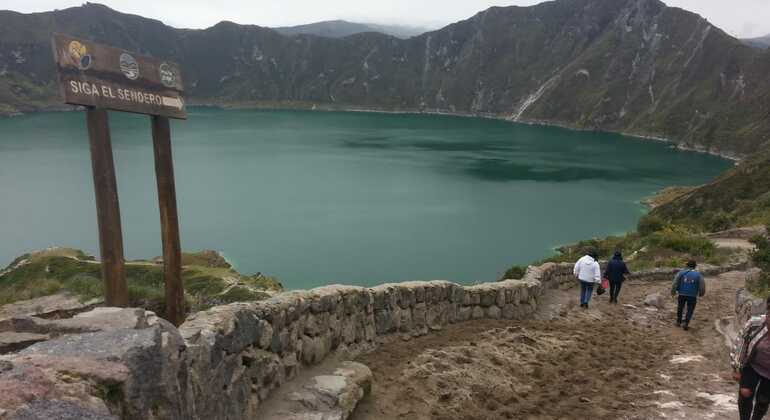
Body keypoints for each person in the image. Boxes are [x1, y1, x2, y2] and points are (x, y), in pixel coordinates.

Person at [731, 297, 770, 420]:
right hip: (752, 365)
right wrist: (736, 368)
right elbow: (741, 344)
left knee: (763, 401)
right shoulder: (755, 323)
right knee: (745, 394)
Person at [670, 260, 705, 330]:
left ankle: (678, 322)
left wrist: (673, 292)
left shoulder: (681, 273)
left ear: (687, 265)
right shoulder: (698, 275)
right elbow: (702, 286)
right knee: (690, 309)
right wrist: (701, 293)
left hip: (682, 294)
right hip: (692, 295)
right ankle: (686, 322)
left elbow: (675, 283)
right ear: (695, 266)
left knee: (680, 307)